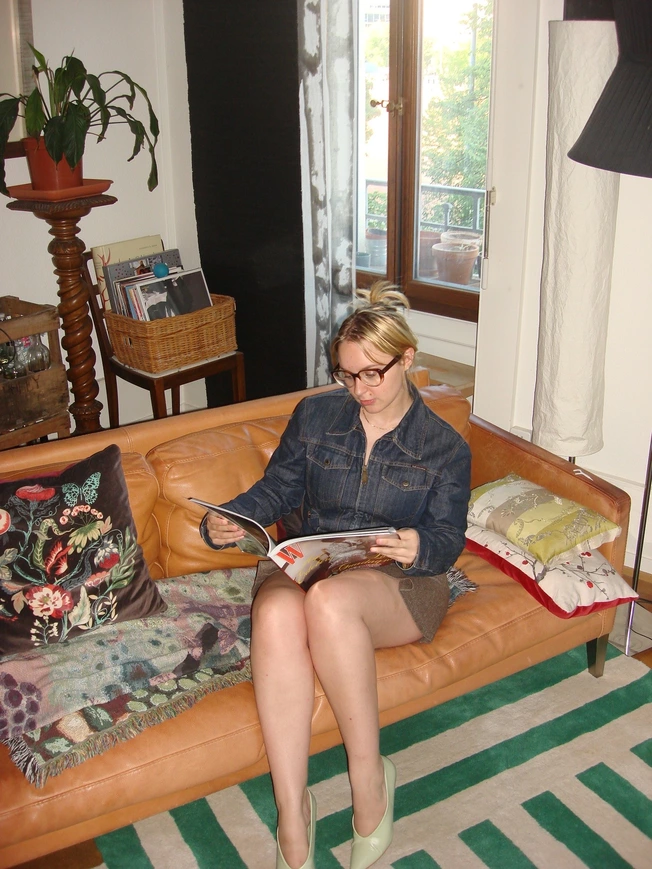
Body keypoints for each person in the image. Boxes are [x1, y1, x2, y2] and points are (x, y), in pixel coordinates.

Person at [200, 281, 471, 869]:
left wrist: (419, 545)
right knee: (276, 611)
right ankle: (292, 809)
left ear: (407, 358)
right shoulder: (317, 416)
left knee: (329, 603)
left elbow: (449, 539)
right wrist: (232, 517)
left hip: (398, 582)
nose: (360, 390)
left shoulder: (444, 447)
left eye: (373, 373)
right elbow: (278, 489)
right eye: (347, 375)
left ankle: (369, 781)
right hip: (311, 560)